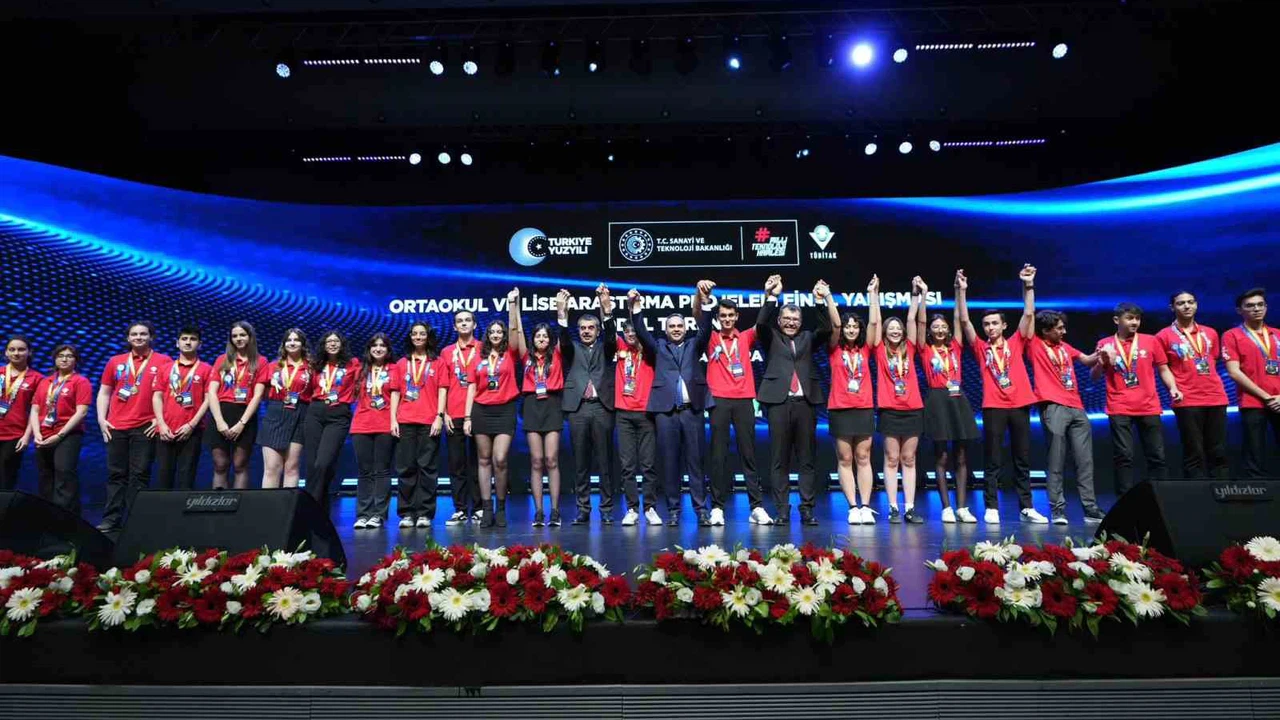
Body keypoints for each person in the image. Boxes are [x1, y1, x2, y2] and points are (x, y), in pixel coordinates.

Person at [957, 266, 1049, 524]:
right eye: (986, 324)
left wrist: (1028, 285)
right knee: (993, 458)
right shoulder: (980, 348)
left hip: (1020, 404)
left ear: (1004, 325)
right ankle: (991, 507)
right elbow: (964, 322)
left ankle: (1027, 507)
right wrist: (961, 291)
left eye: (995, 323)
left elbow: (1028, 313)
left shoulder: (1016, 342)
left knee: (1022, 458)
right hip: (993, 406)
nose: (990, 327)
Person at [630, 286, 714, 527]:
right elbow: (641, 332)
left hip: (692, 411)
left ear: (685, 328)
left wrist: (706, 303)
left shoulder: (694, 345)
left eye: (679, 326)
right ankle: (674, 511)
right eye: (672, 326)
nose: (676, 329)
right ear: (666, 330)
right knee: (670, 464)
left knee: (696, 463)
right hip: (666, 413)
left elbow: (706, 329)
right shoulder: (658, 347)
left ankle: (701, 510)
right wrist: (636, 308)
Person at [756, 275, 828, 526]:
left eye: (795, 319)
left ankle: (806, 509)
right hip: (779, 403)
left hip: (805, 403)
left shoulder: (808, 338)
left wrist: (820, 302)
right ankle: (782, 510)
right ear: (779, 320)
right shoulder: (771, 337)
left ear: (801, 322)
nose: (790, 323)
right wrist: (771, 297)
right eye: (786, 319)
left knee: (807, 459)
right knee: (780, 459)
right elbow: (761, 324)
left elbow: (826, 330)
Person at [695, 281, 766, 527]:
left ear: (737, 317)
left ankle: (756, 507)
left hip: (744, 399)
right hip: (718, 400)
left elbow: (762, 322)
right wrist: (700, 295)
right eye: (722, 315)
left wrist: (769, 295)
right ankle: (717, 507)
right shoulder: (711, 338)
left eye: (730, 315)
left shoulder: (745, 337)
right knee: (718, 455)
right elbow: (698, 315)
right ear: (718, 317)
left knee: (749, 454)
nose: (726, 319)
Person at [1092, 302, 1180, 495]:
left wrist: (1173, 387)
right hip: (1119, 406)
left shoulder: (1151, 341)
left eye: (1137, 319)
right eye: (1129, 318)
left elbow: (1163, 369)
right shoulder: (1105, 344)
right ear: (1117, 320)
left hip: (1149, 405)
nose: (1134, 322)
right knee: (1124, 456)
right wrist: (1101, 362)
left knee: (1157, 455)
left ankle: (1162, 497)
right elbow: (1095, 376)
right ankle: (1124, 499)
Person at [1028, 310, 1104, 524]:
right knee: (1056, 460)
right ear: (1045, 330)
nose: (1064, 331)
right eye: (1059, 328)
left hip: (1077, 407)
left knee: (1085, 460)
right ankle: (1057, 510)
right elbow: (1028, 318)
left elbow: (1087, 360)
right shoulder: (1034, 345)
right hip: (1053, 406)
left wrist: (1102, 354)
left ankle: (1090, 508)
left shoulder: (1065, 347)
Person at [917, 276, 980, 524]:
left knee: (962, 457)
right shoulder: (924, 349)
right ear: (930, 331)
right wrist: (923, 296)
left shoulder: (955, 346)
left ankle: (962, 507)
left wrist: (958, 290)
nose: (940, 330)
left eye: (943, 327)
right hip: (937, 400)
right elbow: (921, 321)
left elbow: (958, 318)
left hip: (958, 399)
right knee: (941, 456)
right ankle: (946, 507)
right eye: (936, 327)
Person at [96, 321, 170, 531]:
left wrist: (158, 419)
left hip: (145, 426)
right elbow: (104, 392)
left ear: (151, 337)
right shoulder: (115, 361)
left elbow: (169, 393)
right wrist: (101, 419)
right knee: (116, 474)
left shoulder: (163, 361)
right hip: (116, 425)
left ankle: (135, 520)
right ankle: (112, 519)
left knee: (140, 475)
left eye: (143, 334)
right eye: (134, 334)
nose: (138, 337)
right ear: (128, 338)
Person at [557, 284, 617, 525]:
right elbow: (563, 338)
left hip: (602, 407)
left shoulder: (606, 348)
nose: (586, 331)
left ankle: (606, 509)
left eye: (591, 328)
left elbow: (611, 335)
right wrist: (562, 313)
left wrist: (606, 308)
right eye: (582, 328)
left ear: (597, 330)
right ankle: (583, 509)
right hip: (578, 408)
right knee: (580, 462)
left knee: (605, 461)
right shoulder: (571, 349)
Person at [868, 275, 925, 524]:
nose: (895, 331)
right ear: (885, 332)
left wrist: (916, 294)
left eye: (898, 329)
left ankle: (909, 508)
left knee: (909, 459)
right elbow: (875, 320)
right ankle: (892, 507)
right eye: (890, 328)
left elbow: (912, 319)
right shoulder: (879, 349)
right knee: (891, 459)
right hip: (890, 410)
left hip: (912, 409)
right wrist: (874, 294)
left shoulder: (910, 347)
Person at [465, 288, 524, 528]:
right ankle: (486, 509)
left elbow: (514, 331)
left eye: (500, 332)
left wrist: (512, 304)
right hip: (481, 410)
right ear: (487, 335)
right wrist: (467, 417)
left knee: (500, 459)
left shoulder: (510, 353)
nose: (497, 334)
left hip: (505, 410)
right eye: (493, 332)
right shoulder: (478, 357)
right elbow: (471, 387)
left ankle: (501, 507)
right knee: (483, 460)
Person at [1156, 291, 1230, 479]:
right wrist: (1173, 388)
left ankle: (1222, 489)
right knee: (1193, 451)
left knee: (1218, 450)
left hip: (1216, 396)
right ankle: (1197, 492)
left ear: (1196, 305)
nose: (1187, 306)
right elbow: (1163, 368)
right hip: (1187, 398)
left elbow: (1212, 359)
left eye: (1190, 302)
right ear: (1172, 307)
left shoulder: (1210, 333)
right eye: (1181, 303)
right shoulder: (1163, 336)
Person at [821, 280, 876, 525]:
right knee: (845, 459)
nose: (851, 330)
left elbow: (874, 323)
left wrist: (872, 294)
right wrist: (828, 296)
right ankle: (853, 507)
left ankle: (866, 507)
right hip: (840, 409)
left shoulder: (865, 349)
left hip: (863, 408)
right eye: (847, 326)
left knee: (863, 457)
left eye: (855, 326)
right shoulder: (834, 348)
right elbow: (834, 323)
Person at [392, 322, 445, 528]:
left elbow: (442, 389)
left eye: (422, 334)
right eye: (414, 334)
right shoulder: (402, 363)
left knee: (428, 468)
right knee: (406, 468)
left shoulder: (437, 362)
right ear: (410, 337)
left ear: (428, 337)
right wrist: (393, 419)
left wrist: (439, 416)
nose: (418, 337)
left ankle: (425, 513)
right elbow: (395, 392)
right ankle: (406, 513)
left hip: (429, 421)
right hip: (405, 420)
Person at [1222, 287, 1280, 478]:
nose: (1256, 309)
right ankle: (1257, 489)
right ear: (1240, 310)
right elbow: (1234, 372)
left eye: (1260, 305)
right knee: (1254, 450)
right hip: (1253, 401)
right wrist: (1266, 397)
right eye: (1250, 306)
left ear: (1266, 307)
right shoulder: (1231, 335)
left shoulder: (1278, 334)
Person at [206, 322, 270, 490]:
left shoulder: (261, 361)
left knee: (240, 464)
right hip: (221, 413)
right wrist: (219, 421)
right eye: (234, 336)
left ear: (250, 337)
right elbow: (212, 392)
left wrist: (241, 424)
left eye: (242, 335)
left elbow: (258, 395)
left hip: (245, 416)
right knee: (220, 464)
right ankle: (217, 503)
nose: (238, 339)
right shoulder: (222, 360)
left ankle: (238, 504)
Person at [28, 344, 91, 513]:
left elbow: (81, 412)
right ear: (55, 359)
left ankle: (66, 517)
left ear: (76, 360)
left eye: (69, 356)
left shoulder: (80, 381)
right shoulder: (45, 382)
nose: (64, 359)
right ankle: (47, 515)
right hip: (43, 434)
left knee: (64, 473)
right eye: (61, 356)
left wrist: (60, 435)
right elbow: (35, 409)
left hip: (68, 434)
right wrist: (36, 433)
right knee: (45, 474)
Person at [303, 330, 360, 508]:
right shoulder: (316, 365)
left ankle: (311, 506)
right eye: (329, 341)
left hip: (338, 414)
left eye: (336, 341)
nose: (333, 344)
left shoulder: (352, 364)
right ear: (323, 345)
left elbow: (360, 385)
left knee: (324, 462)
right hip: (315, 411)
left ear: (342, 345)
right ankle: (320, 506)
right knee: (312, 464)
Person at [152, 326, 213, 490]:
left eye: (193, 339)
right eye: (184, 339)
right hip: (165, 430)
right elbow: (157, 396)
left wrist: (191, 425)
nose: (188, 342)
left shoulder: (207, 369)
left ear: (200, 344)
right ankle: (164, 507)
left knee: (187, 477)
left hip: (192, 430)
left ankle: (182, 508)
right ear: (177, 343)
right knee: (164, 476)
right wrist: (161, 424)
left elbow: (209, 399)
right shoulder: (165, 368)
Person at [350, 333, 399, 529]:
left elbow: (395, 395)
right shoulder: (361, 369)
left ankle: (378, 514)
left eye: (382, 346)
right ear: (369, 349)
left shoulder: (394, 369)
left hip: (385, 423)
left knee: (382, 471)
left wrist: (394, 421)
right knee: (364, 472)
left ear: (388, 349)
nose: (378, 349)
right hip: (361, 424)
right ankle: (363, 514)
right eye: (374, 346)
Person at [520, 321, 565, 527]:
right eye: (538, 335)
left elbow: (563, 328)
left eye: (545, 336)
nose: (541, 339)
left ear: (550, 339)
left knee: (551, 459)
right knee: (537, 460)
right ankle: (538, 511)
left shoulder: (557, 354)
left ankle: (555, 511)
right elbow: (517, 332)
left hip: (552, 404)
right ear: (533, 339)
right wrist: (514, 307)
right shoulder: (526, 357)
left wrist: (562, 312)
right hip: (532, 405)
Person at [440, 310, 482, 526]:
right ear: (454, 327)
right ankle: (459, 509)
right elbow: (443, 384)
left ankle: (479, 508)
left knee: (478, 462)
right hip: (453, 414)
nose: (464, 324)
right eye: (459, 321)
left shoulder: (483, 348)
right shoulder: (447, 352)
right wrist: (444, 413)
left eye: (467, 320)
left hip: (478, 412)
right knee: (456, 464)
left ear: (474, 325)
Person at [258, 328, 313, 489]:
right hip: (275, 414)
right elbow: (261, 392)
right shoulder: (273, 366)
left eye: (296, 340)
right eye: (289, 340)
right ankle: (270, 504)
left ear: (303, 344)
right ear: (284, 344)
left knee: (291, 467)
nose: (292, 343)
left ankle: (289, 504)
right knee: (272, 468)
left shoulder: (311, 368)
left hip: (301, 414)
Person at [0, 336, 42, 492]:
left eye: (21, 349)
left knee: (6, 477)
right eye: (12, 349)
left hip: (15, 434)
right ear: (6, 353)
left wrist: (27, 436)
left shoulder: (37, 378)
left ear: (29, 352)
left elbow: (35, 411)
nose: (16, 353)